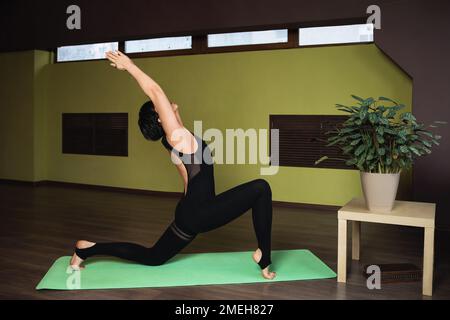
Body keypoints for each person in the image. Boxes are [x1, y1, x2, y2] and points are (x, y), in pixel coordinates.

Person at [70, 50, 276, 279]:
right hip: (200, 212)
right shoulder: (176, 136)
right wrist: (129, 65)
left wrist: (175, 113)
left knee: (153, 257)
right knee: (261, 188)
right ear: (160, 118)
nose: (166, 103)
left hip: (189, 212)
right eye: (162, 107)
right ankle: (263, 256)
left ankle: (87, 249)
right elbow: (155, 91)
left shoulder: (178, 138)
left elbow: (186, 168)